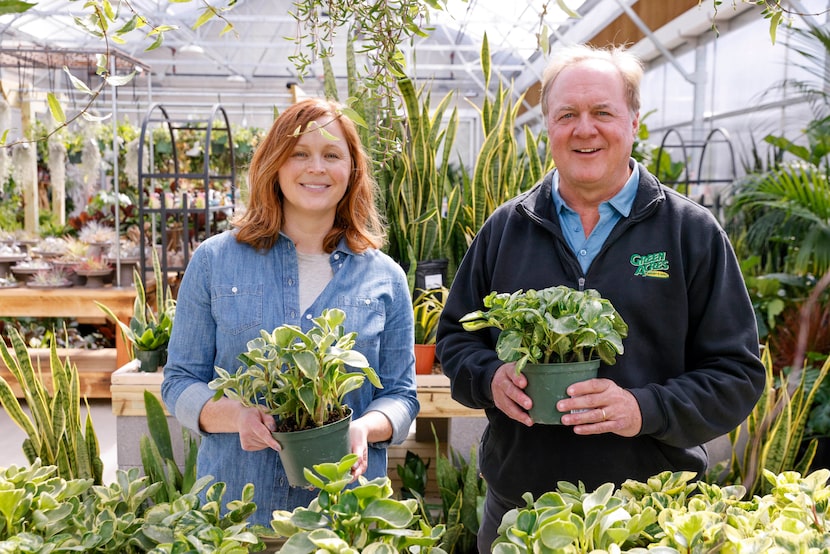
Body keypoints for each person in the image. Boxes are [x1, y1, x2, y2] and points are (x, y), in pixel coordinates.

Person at [435, 43, 765, 552]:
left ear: (633, 120)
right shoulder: (507, 229)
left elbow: (738, 375)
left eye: (602, 112)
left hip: (651, 513)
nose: (584, 129)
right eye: (567, 114)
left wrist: (643, 408)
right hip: (520, 509)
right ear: (547, 126)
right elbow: (456, 340)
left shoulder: (689, 233)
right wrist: (489, 379)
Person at [161, 98, 419, 526]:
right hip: (237, 517)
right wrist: (236, 417)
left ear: (351, 170)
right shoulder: (215, 260)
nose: (316, 167)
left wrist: (366, 427)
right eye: (300, 153)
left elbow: (401, 395)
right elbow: (179, 381)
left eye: (332, 154)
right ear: (274, 164)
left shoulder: (385, 276)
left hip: (341, 518)